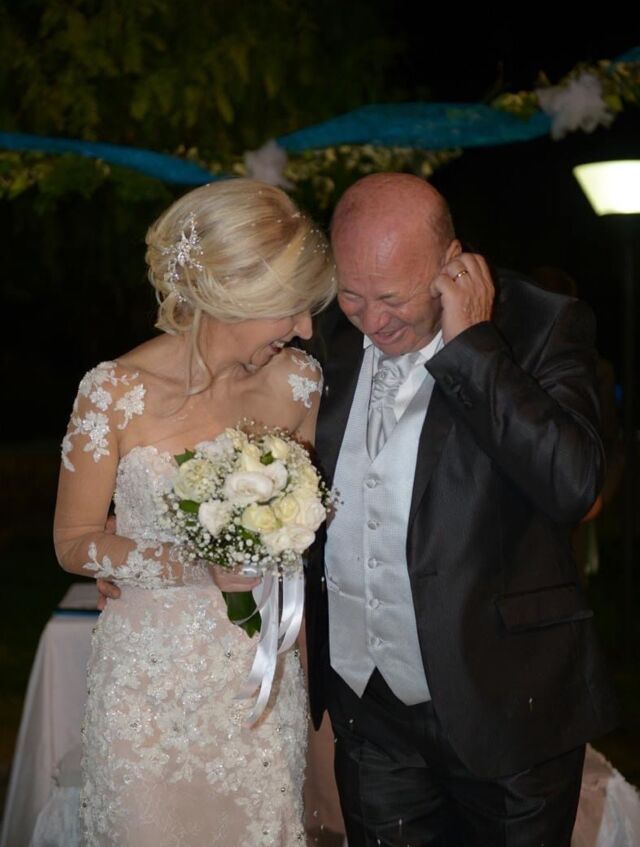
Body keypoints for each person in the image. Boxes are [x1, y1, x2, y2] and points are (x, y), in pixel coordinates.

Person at [304, 173, 619, 846]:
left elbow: (573, 486)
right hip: (370, 710)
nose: (372, 321)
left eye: (392, 298)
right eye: (353, 295)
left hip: (509, 707)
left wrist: (473, 348)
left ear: (452, 263)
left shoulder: (540, 323)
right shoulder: (323, 330)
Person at [53, 178, 336, 846]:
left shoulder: (300, 382)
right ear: (233, 294)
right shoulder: (115, 392)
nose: (305, 328)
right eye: (291, 308)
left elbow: (299, 549)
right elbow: (73, 541)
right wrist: (185, 562)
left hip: (259, 685)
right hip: (147, 692)